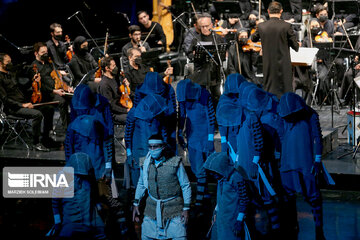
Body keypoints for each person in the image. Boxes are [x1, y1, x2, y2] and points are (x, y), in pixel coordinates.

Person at [278, 92, 333, 240]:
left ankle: (319, 229)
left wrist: (317, 160)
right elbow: (281, 136)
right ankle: (292, 225)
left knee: (314, 196)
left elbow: (317, 137)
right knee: (288, 197)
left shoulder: (310, 115)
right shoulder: (284, 117)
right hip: (287, 161)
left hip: (305, 161)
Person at [132, 134, 191, 240]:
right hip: (152, 207)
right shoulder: (145, 163)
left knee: (179, 235)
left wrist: (186, 208)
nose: (152, 149)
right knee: (147, 235)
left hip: (174, 208)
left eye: (156, 146)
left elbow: (185, 185)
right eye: (150, 147)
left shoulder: (175, 162)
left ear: (163, 146)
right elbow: (141, 183)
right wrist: (136, 203)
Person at [0, 53, 54, 151]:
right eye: (8, 62)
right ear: (0, 63)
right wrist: (22, 105)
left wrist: (33, 81)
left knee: (49, 108)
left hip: (23, 103)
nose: (10, 63)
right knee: (37, 114)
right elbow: (5, 99)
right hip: (13, 108)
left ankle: (46, 138)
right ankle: (36, 143)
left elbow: (22, 88)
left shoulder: (11, 74)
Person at [176, 79, 215, 212]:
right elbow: (181, 115)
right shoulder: (184, 96)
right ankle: (205, 194)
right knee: (195, 166)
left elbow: (210, 117)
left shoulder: (204, 94)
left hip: (203, 134)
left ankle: (199, 200)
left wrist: (210, 138)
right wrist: (180, 133)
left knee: (201, 169)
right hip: (192, 134)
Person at [51, 152, 107, 239]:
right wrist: (57, 222)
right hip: (71, 221)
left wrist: (98, 206)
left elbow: (94, 194)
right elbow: (55, 201)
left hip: (89, 219)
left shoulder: (88, 178)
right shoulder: (62, 177)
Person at [252, 1, 299, 99]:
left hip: (268, 65)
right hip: (284, 66)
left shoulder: (261, 26)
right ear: (281, 11)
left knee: (269, 91)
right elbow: (296, 47)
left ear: (268, 11)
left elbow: (253, 38)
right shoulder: (286, 26)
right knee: (285, 93)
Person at [125, 94, 168, 189]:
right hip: (138, 152)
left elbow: (163, 133)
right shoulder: (134, 112)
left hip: (154, 152)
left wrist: (163, 151)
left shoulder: (158, 114)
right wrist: (129, 153)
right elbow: (128, 134)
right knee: (138, 182)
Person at [204, 152, 249, 240]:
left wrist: (239, 220)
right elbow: (221, 197)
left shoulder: (236, 178)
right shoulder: (221, 178)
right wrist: (216, 211)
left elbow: (244, 199)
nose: (213, 175)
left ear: (222, 168)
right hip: (221, 219)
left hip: (232, 220)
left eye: (214, 172)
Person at [30, 42, 71, 129]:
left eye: (46, 52)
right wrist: (54, 91)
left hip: (56, 90)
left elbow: (58, 77)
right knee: (62, 102)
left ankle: (77, 124)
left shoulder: (49, 63)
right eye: (42, 52)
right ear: (36, 53)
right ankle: (68, 129)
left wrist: (67, 88)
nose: (45, 54)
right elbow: (40, 86)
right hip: (45, 93)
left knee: (74, 97)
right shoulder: (34, 67)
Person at [134, 72, 177, 153]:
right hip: (147, 125)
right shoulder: (140, 90)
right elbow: (137, 111)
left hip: (166, 123)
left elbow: (172, 111)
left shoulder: (168, 89)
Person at [189, 13, 225, 104]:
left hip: (215, 72)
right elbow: (190, 54)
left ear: (211, 25)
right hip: (201, 71)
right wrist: (194, 55)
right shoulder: (196, 39)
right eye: (202, 27)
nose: (204, 29)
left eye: (206, 26)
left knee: (217, 96)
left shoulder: (218, 38)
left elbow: (222, 55)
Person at [216, 73, 246, 153]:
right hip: (239, 137)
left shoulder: (223, 101)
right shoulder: (243, 100)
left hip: (230, 137)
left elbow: (220, 122)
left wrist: (223, 142)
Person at [98, 56, 130, 124]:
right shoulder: (104, 85)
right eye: (113, 66)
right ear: (107, 68)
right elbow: (111, 105)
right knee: (134, 118)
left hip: (121, 107)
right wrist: (126, 110)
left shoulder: (114, 78)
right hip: (114, 114)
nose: (116, 67)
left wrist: (126, 86)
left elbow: (120, 94)